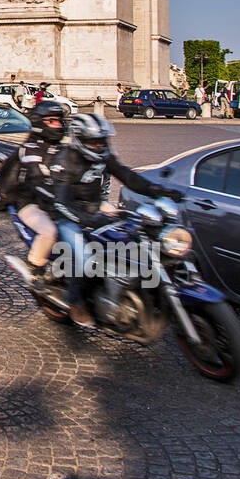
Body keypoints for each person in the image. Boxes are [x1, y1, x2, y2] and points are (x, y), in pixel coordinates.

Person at [51, 113, 180, 329]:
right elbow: (62, 202)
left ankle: (126, 291)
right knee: (85, 259)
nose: (100, 145)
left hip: (96, 209)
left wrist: (160, 191)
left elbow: (128, 177)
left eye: (102, 141)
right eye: (94, 142)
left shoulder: (103, 155)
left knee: (134, 239)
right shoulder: (64, 160)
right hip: (68, 216)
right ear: (80, 141)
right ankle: (76, 302)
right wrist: (88, 219)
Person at [0, 100, 68, 284]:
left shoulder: (62, 149)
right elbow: (37, 180)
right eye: (52, 121)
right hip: (30, 203)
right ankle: (35, 267)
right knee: (49, 231)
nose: (58, 125)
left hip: (58, 203)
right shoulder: (29, 150)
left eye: (59, 121)